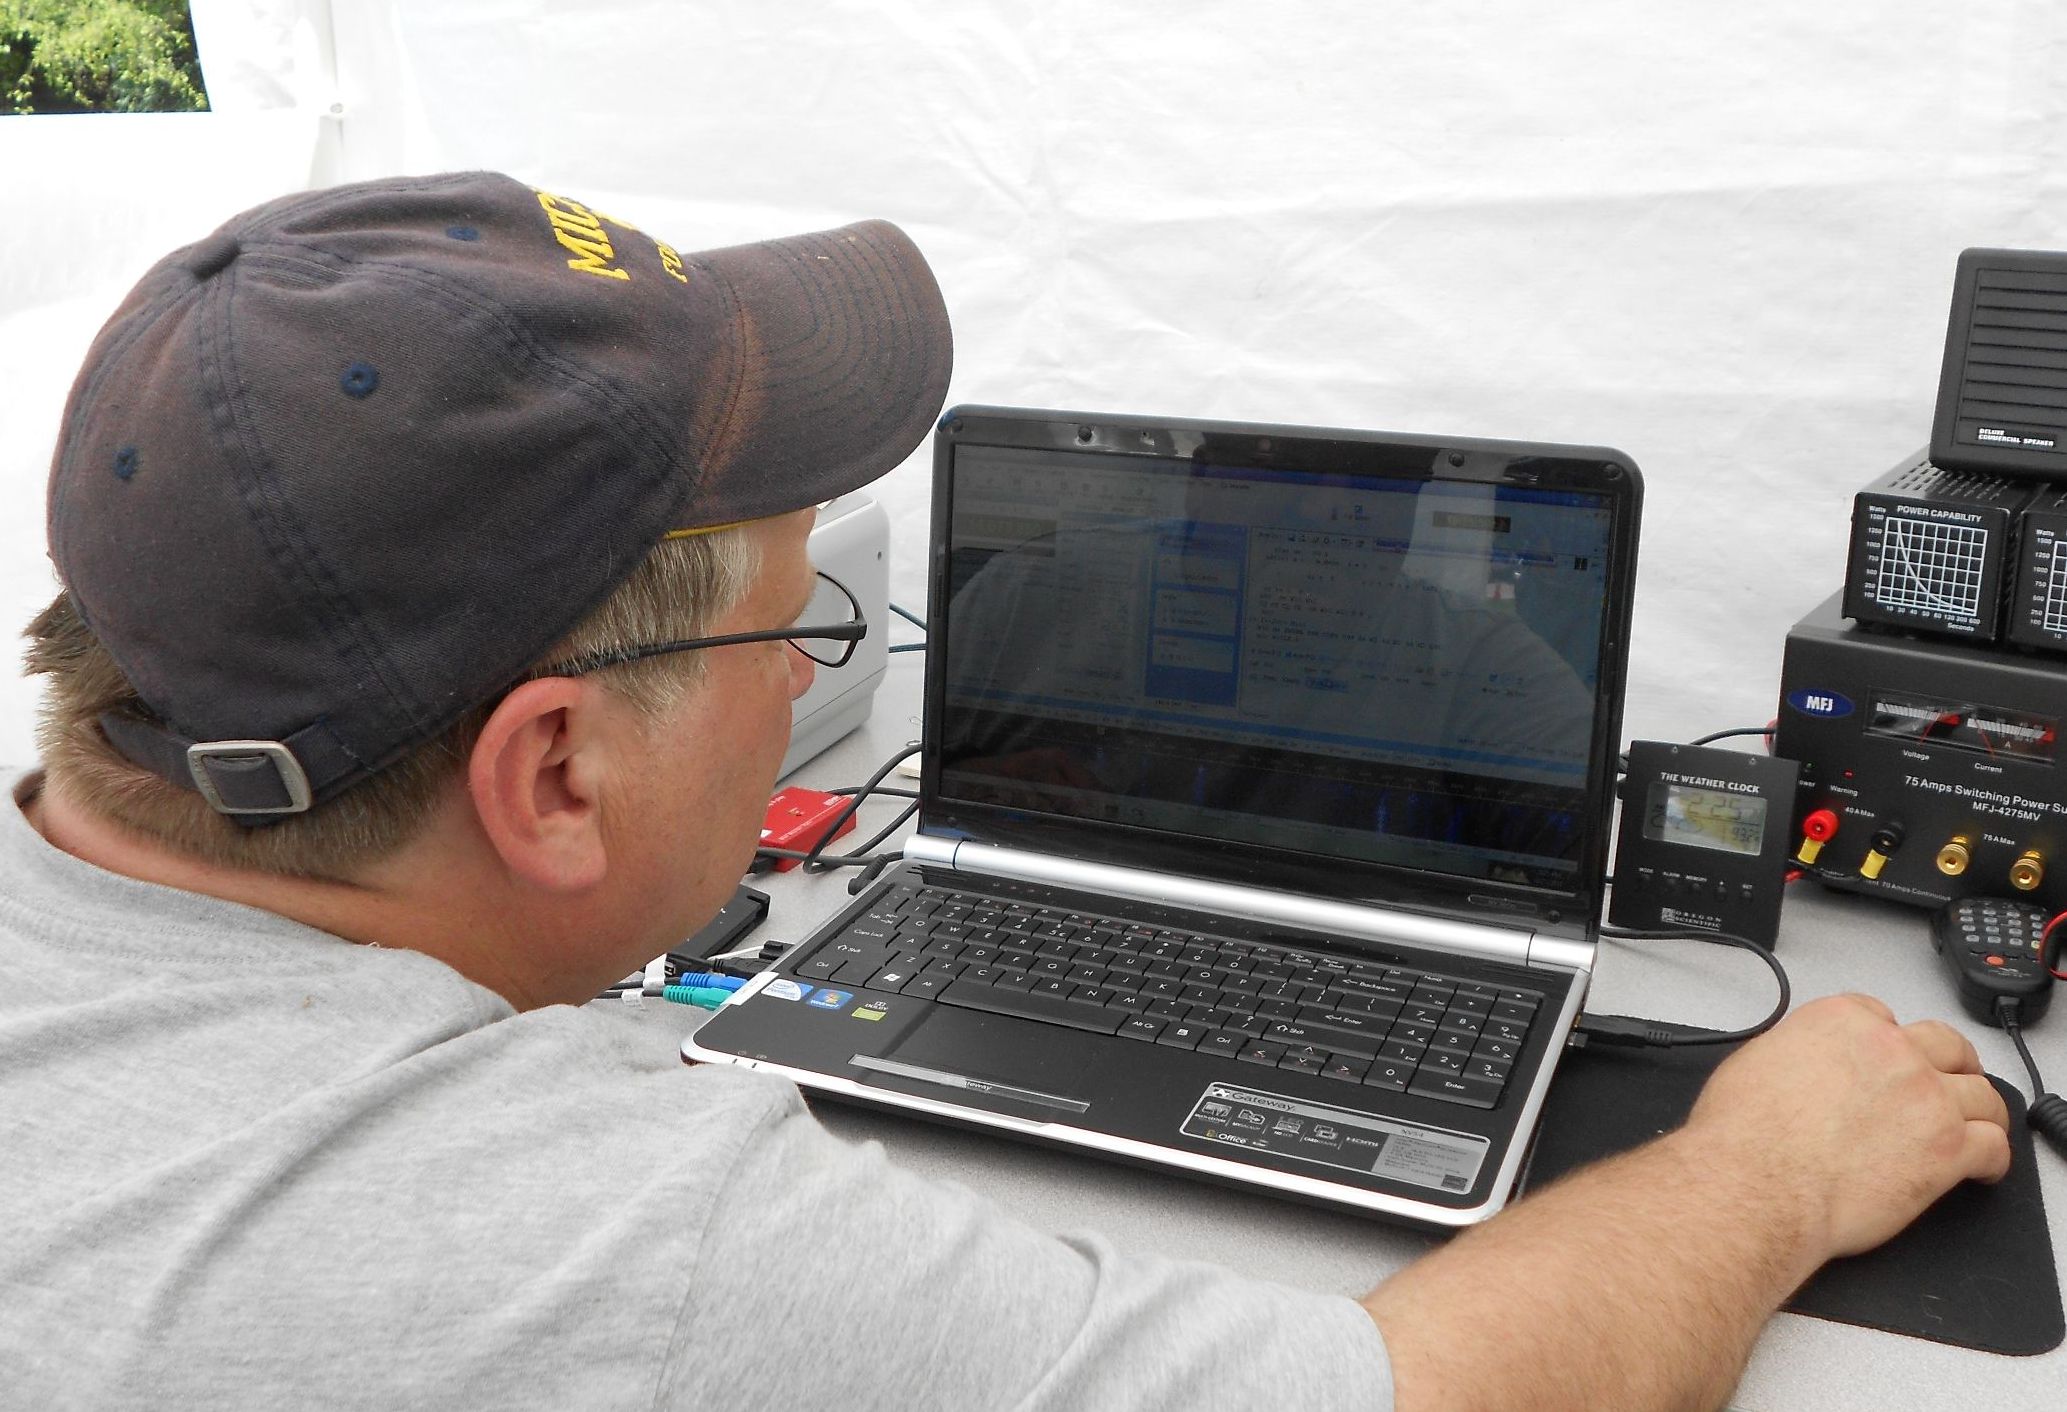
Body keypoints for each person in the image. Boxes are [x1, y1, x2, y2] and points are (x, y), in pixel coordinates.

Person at [0, 171, 2012, 1412]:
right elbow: (1422, 1392)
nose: (817, 685)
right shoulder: (624, 1252)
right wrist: (1766, 1171)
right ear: (555, 768)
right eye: (800, 630)